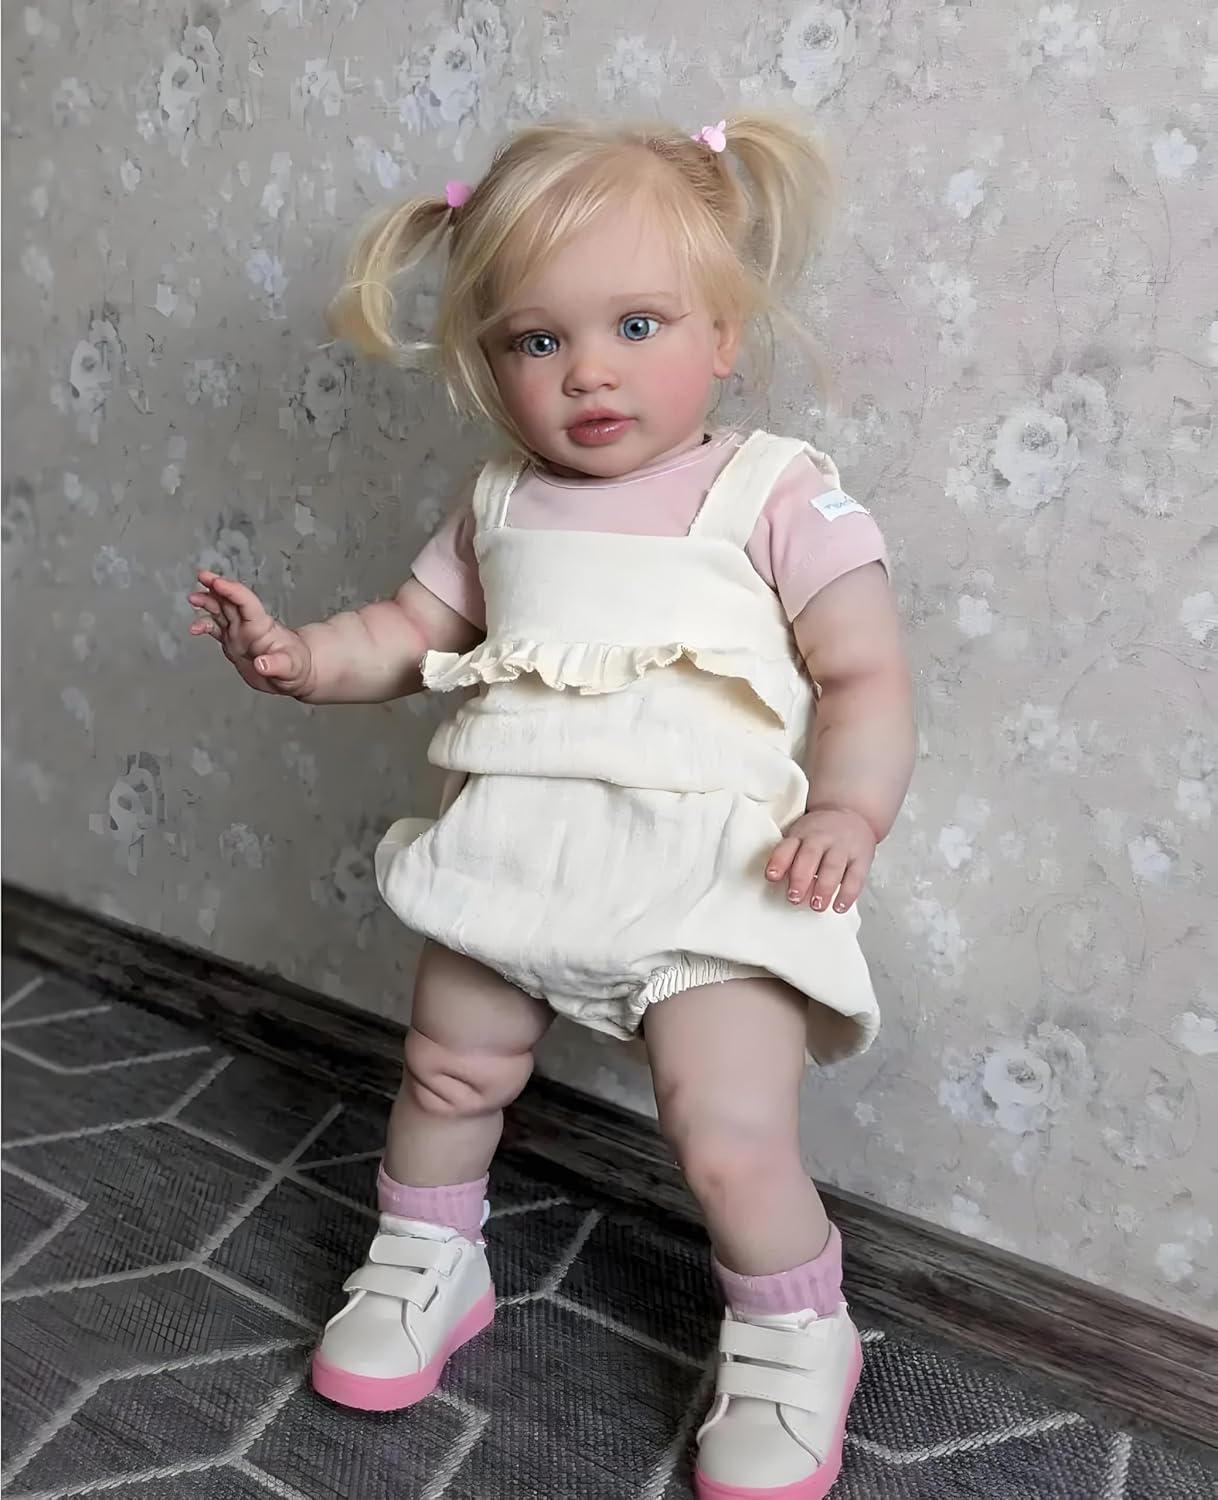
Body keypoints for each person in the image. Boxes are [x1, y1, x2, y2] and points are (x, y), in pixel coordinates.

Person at [189, 111, 915, 1500]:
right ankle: (427, 1257)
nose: (588, 370)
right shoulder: (501, 504)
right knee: (446, 1074)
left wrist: (849, 811)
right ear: (490, 363)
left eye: (637, 325)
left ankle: (794, 1334)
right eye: (538, 340)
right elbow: (405, 631)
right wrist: (301, 659)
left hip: (716, 873)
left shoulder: (774, 491)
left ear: (723, 332)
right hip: (514, 852)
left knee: (726, 1132)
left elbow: (867, 672)